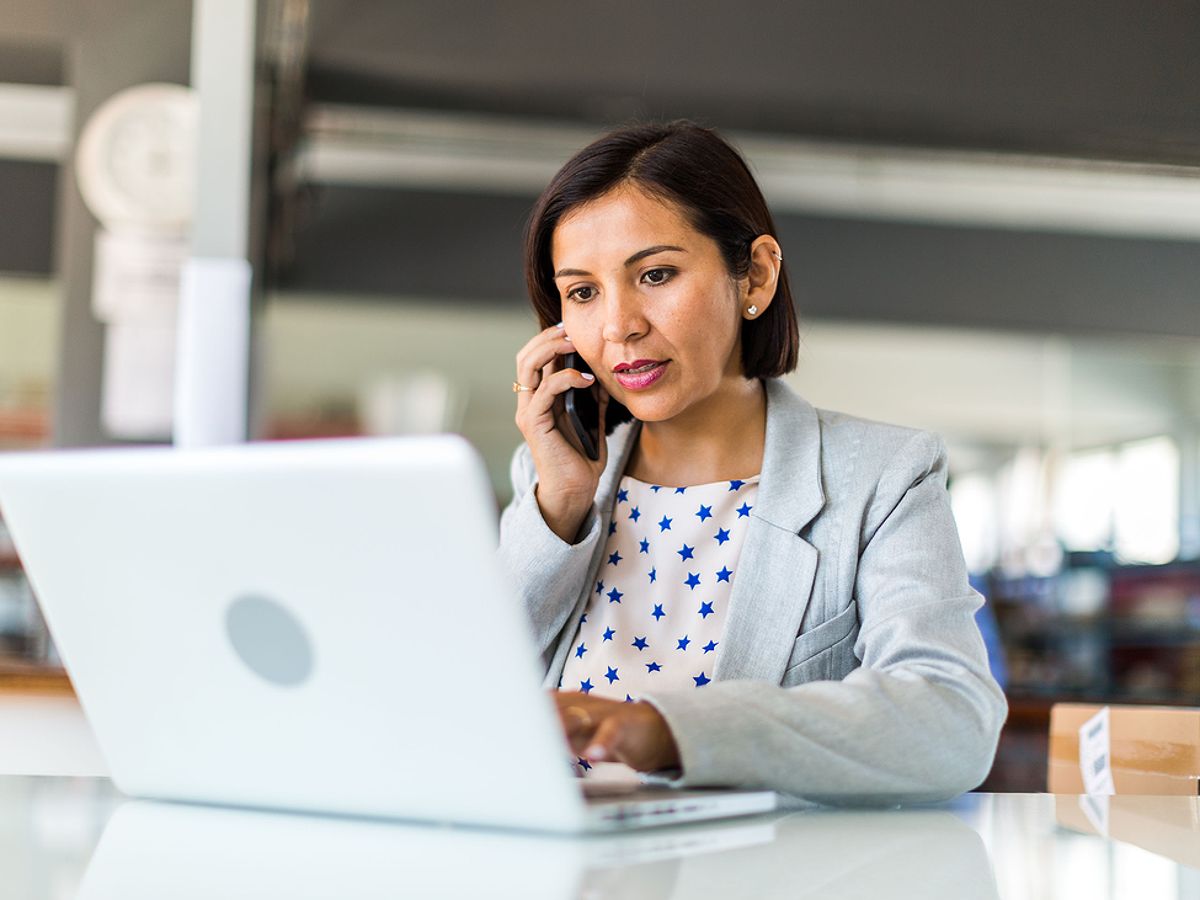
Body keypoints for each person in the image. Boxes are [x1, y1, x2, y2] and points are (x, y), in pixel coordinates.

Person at [499, 120, 1007, 804]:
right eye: (583, 292)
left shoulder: (884, 477)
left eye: (655, 274)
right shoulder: (548, 484)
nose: (618, 325)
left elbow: (952, 723)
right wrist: (558, 509)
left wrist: (668, 731)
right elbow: (472, 703)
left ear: (756, 275)